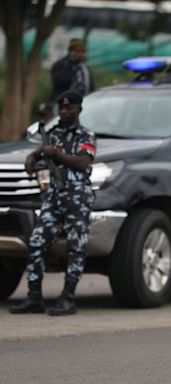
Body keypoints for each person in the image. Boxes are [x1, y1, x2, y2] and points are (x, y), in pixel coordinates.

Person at [9, 90, 96, 316]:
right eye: (62, 108)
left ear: (79, 109)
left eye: (70, 108)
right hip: (54, 198)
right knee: (36, 243)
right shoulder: (53, 133)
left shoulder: (85, 135)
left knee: (75, 247)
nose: (65, 111)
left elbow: (84, 163)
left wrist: (57, 155)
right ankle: (34, 298)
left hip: (77, 198)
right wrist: (32, 158)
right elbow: (40, 152)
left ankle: (68, 298)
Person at [49, 38, 95, 109]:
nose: (80, 54)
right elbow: (58, 82)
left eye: (82, 52)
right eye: (77, 51)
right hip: (64, 103)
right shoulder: (61, 65)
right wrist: (71, 67)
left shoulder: (85, 68)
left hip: (83, 103)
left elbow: (91, 86)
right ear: (70, 52)